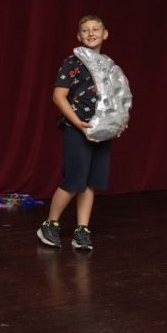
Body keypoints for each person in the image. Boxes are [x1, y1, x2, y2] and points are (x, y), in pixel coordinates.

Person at [37, 14, 113, 251]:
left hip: (101, 132)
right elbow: (58, 96)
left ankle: (82, 229)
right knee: (73, 181)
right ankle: (50, 224)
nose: (91, 34)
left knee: (90, 182)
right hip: (76, 129)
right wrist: (78, 123)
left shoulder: (108, 65)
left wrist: (117, 122)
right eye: (85, 30)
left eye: (95, 29)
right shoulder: (72, 62)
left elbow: (115, 98)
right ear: (78, 36)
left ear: (105, 34)